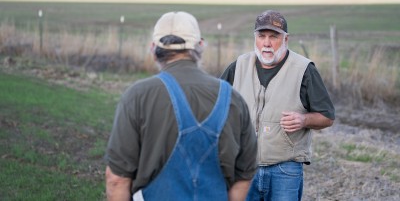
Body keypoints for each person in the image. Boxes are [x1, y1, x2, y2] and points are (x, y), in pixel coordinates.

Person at [105, 11, 258, 201]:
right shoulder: (233, 99)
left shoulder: (137, 96)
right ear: (200, 46)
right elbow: (244, 176)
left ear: (153, 49)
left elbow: (116, 180)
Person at [220, 10, 335, 201]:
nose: (266, 43)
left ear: (285, 39)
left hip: (286, 168)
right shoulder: (238, 66)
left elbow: (327, 117)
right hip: (243, 167)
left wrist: (304, 119)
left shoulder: (304, 70)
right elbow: (217, 108)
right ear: (254, 38)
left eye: (273, 37)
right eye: (261, 36)